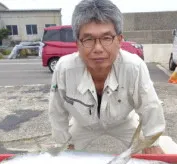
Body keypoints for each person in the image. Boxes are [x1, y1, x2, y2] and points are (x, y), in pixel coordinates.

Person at [48, 0, 166, 154]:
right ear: (77, 43)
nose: (98, 48)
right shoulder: (64, 68)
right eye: (88, 39)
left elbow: (150, 106)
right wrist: (63, 142)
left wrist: (152, 142)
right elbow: (56, 111)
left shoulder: (134, 67)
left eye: (106, 38)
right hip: (83, 125)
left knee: (155, 159)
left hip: (123, 123)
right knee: (63, 160)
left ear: (119, 40)